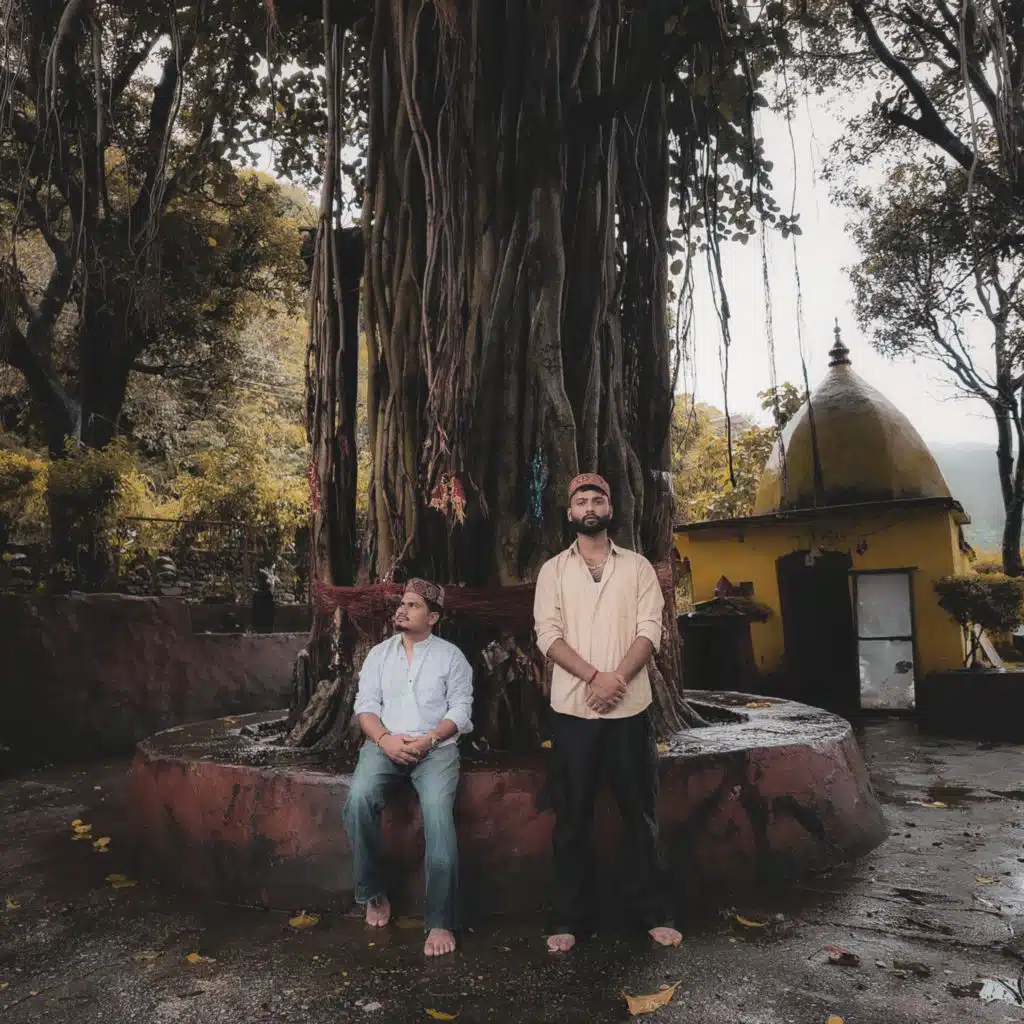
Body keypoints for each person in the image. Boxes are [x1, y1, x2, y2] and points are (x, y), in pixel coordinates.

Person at [533, 473, 682, 954]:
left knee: (639, 815)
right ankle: (568, 918)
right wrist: (595, 678)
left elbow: (650, 630)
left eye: (598, 499)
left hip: (629, 710)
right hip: (572, 711)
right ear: (570, 513)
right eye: (582, 500)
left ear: (611, 509)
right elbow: (547, 634)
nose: (590, 507)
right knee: (571, 818)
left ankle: (653, 914)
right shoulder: (553, 571)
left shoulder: (637, 568)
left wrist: (616, 678)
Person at [343, 578, 473, 957]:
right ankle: (372, 891)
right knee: (358, 799)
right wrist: (385, 740)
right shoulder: (379, 655)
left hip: (436, 750)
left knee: (438, 816)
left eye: (413, 605)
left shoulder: (452, 658)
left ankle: (440, 920)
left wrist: (429, 739)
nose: (402, 609)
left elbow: (460, 709)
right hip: (384, 745)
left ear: (432, 617)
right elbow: (365, 706)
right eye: (402, 603)